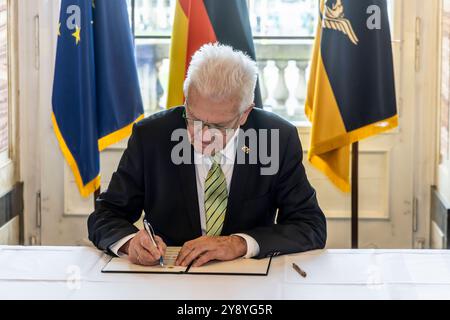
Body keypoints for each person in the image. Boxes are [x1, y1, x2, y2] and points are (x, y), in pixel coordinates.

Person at [88, 43, 326, 267]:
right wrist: (131, 243)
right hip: (169, 278)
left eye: (219, 127)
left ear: (244, 114)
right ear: (186, 100)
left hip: (247, 281)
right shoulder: (151, 136)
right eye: (194, 119)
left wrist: (239, 243)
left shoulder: (275, 138)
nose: (202, 135)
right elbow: (106, 215)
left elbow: (310, 226)